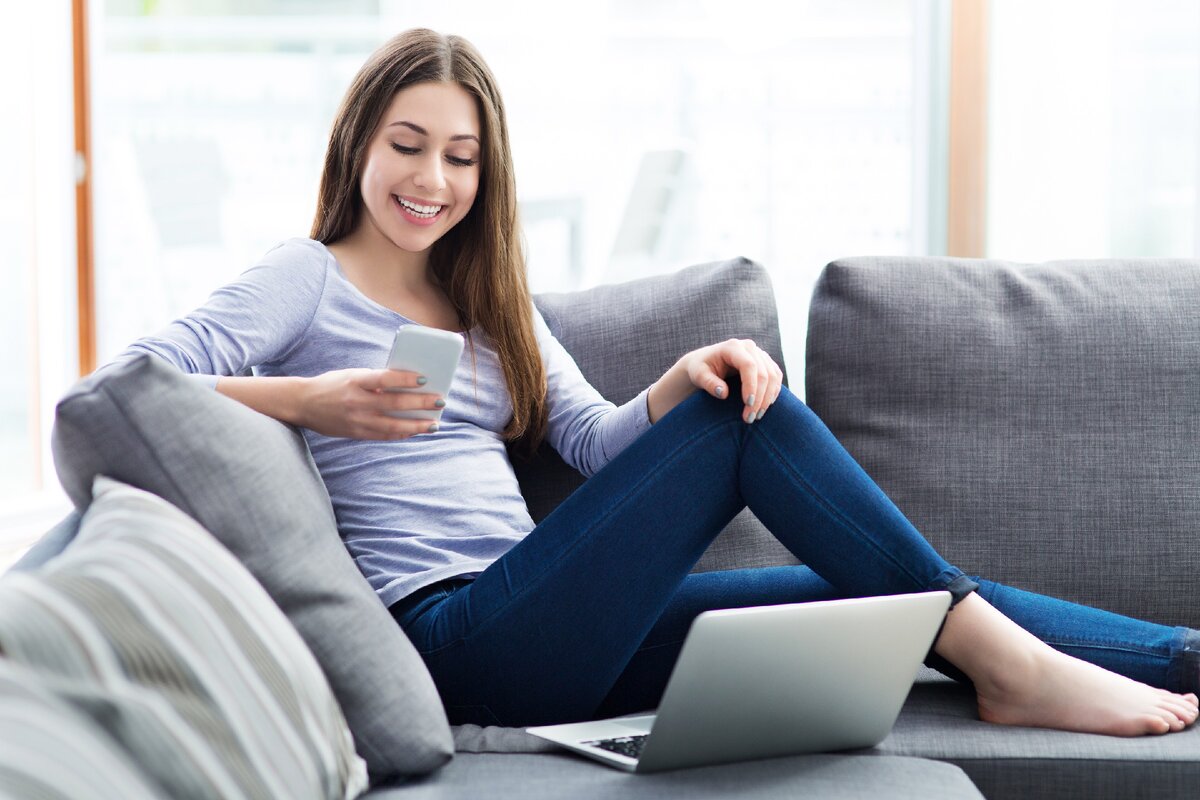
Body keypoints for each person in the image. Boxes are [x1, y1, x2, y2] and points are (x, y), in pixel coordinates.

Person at [123, 28, 1199, 736]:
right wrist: (311, 402)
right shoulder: (305, 279)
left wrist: (675, 384)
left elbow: (590, 439)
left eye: (461, 157)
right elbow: (127, 383)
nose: (432, 180)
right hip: (452, 638)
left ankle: (1177, 657)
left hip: (558, 614)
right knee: (747, 422)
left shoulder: (490, 291)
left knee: (889, 589)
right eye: (409, 145)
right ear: (358, 140)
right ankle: (1010, 667)